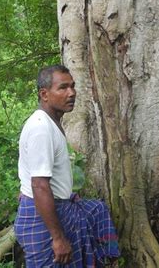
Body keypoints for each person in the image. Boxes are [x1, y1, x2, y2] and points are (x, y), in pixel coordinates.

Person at [14, 65, 120, 267]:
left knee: (96, 209)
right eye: (63, 88)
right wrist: (58, 238)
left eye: (72, 86)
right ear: (44, 94)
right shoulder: (41, 128)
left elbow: (35, 173)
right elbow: (39, 185)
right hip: (41, 220)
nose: (71, 93)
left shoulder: (51, 122)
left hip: (56, 206)